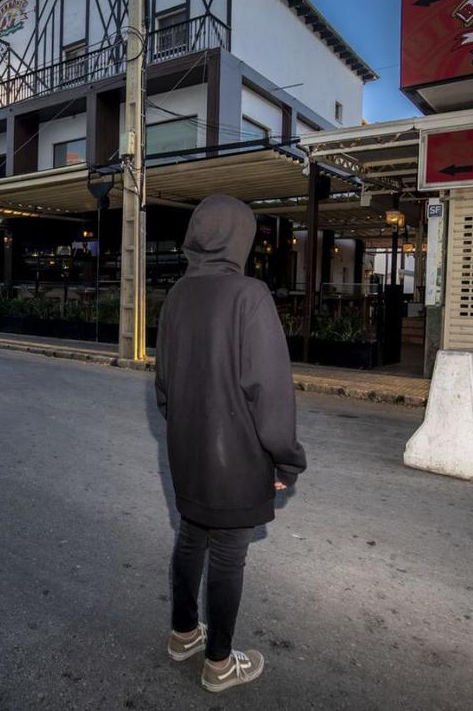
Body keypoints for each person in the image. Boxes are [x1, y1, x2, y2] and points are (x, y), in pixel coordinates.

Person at [155, 194, 306, 694]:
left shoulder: (177, 295)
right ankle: (219, 662)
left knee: (191, 537)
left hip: (186, 451)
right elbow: (270, 390)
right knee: (228, 555)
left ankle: (182, 635)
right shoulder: (249, 295)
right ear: (240, 237)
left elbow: (165, 388)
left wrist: (187, 428)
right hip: (237, 457)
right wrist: (285, 458)